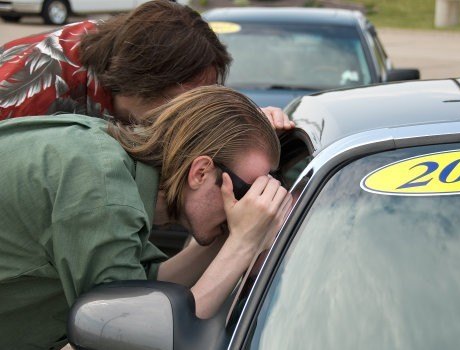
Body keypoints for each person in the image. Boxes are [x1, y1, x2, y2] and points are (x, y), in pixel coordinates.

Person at [0, 85, 293, 350]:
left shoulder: (106, 158)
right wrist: (243, 244)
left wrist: (235, 236)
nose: (251, 205)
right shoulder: (100, 187)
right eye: (247, 191)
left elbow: (144, 287)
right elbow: (134, 336)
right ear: (200, 172)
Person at [0, 0, 293, 130]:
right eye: (183, 103)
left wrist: (249, 120)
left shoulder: (119, 48)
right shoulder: (33, 90)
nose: (189, 115)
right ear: (144, 80)